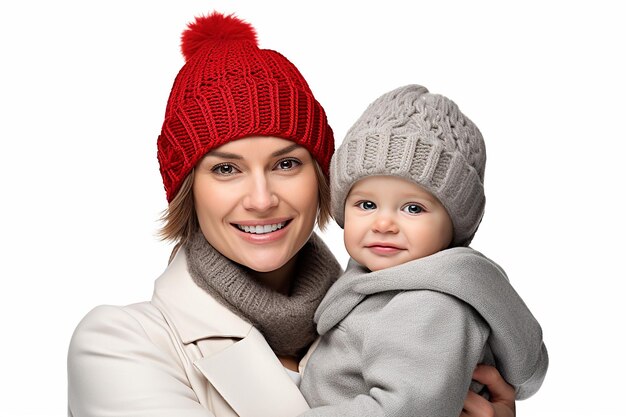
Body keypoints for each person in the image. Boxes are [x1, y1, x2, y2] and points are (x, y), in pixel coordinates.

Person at [67, 12, 517, 417]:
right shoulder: (120, 344)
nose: (261, 199)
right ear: (188, 190)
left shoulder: (406, 318)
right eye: (226, 169)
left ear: (323, 178)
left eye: (286, 164)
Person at [299, 84, 549, 416]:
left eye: (413, 209)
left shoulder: (431, 305)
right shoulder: (378, 284)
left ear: (455, 225)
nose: (384, 224)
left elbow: (404, 409)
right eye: (367, 204)